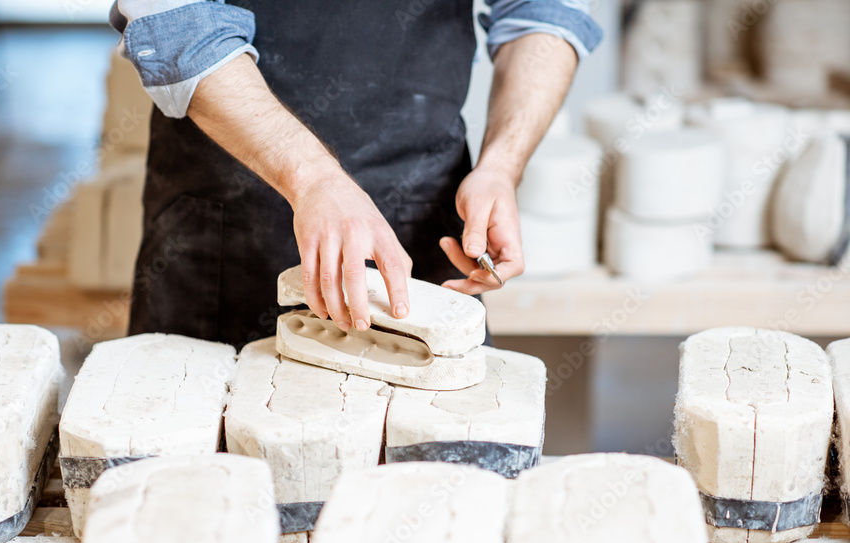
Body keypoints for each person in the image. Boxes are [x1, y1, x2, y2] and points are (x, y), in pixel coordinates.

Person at [110, 0, 601, 348]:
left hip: (424, 209)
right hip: (225, 216)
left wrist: (501, 165)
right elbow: (177, 23)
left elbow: (544, 10)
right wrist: (312, 178)